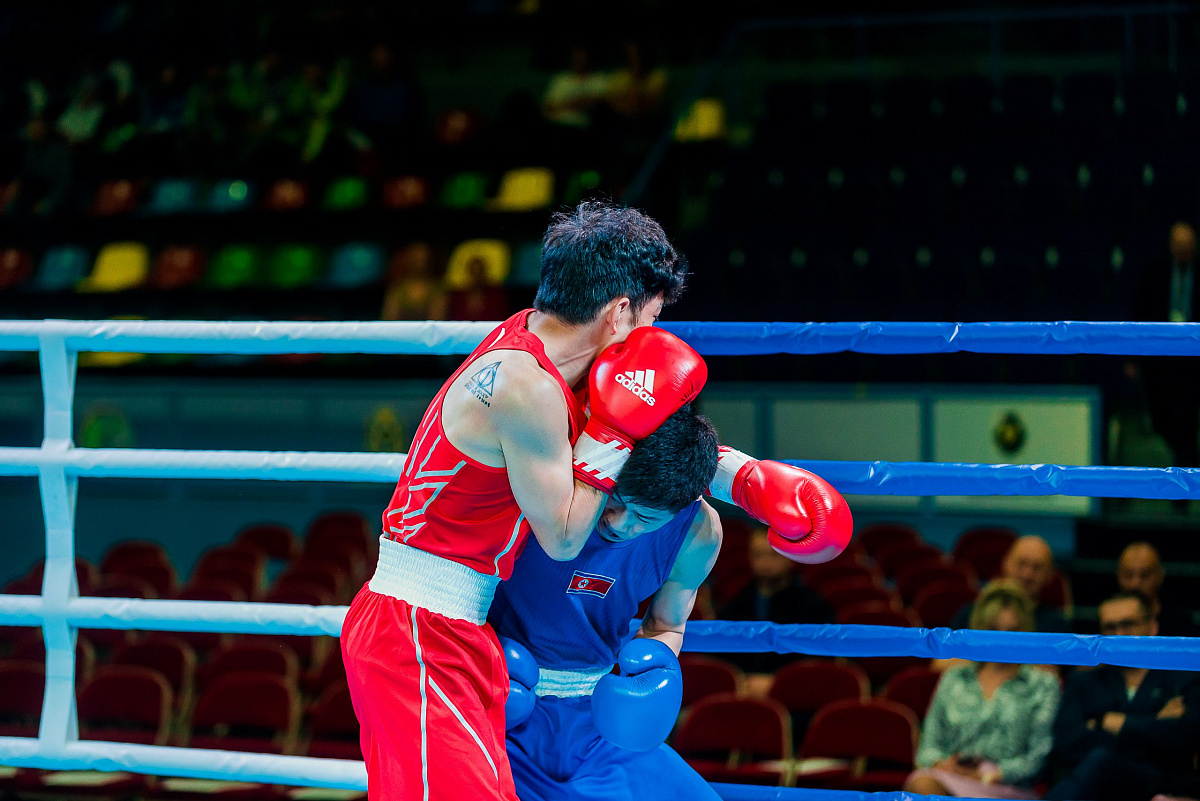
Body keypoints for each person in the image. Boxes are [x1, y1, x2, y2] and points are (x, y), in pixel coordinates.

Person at [341, 200, 704, 801]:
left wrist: (745, 477)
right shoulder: (525, 387)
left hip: (452, 627)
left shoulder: (531, 338)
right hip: (418, 627)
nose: (651, 339)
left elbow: (655, 449)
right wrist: (612, 434)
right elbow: (562, 537)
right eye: (652, 318)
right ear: (619, 312)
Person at [491, 409, 853, 801]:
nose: (619, 522)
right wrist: (482, 661)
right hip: (493, 701)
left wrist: (654, 671)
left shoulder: (697, 533)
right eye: (615, 498)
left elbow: (666, 624)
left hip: (594, 715)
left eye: (644, 517)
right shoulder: (545, 483)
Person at [905, 581, 1061, 798]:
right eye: (993, 630)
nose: (1001, 639)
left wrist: (995, 774)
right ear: (979, 630)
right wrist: (944, 764)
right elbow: (928, 746)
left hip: (1007, 786)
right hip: (950, 776)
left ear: (1026, 631)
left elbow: (1039, 756)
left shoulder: (1042, 684)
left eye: (1012, 631)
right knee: (923, 784)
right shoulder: (955, 677)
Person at [1045, 592, 1200, 801]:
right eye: (1110, 627)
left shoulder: (1182, 678)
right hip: (1096, 788)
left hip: (1159, 785)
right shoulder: (1083, 681)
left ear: (1152, 627)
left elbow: (1183, 739)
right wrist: (1152, 724)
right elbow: (1068, 743)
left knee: (1101, 759)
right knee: (1100, 760)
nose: (1119, 634)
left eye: (1128, 624)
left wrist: (1106, 722)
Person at [1130, 222, 1200, 492]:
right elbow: (1138, 314)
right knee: (1161, 419)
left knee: (1187, 419)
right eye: (1178, 245)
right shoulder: (1154, 273)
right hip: (1160, 362)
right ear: (1171, 245)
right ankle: (1188, 461)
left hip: (1194, 364)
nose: (1183, 250)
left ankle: (1182, 485)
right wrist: (1131, 358)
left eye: (1187, 245)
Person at [717, 527, 833, 686]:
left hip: (794, 689)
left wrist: (777, 681)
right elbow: (720, 654)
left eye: (774, 555)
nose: (765, 563)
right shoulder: (736, 603)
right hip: (743, 688)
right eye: (758, 555)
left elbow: (820, 658)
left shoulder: (813, 605)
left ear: (790, 557)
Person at [951, 536, 1068, 633]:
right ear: (1005, 563)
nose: (1027, 574)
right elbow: (947, 653)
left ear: (1049, 575)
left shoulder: (1056, 626)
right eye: (1021, 564)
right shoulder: (969, 614)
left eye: (1037, 567)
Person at [1117, 541, 1198, 637]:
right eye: (1128, 575)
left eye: (1145, 575)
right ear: (1118, 575)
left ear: (1160, 575)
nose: (1136, 583)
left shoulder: (1182, 624)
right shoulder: (1107, 620)